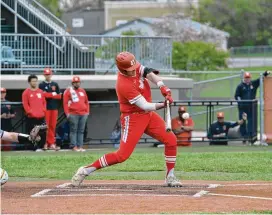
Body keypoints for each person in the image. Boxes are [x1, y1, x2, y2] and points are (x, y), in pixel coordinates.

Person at [71, 51, 181, 187]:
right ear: (121, 69)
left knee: (171, 140)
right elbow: (145, 106)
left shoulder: (132, 65)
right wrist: (164, 104)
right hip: (133, 118)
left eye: (134, 68)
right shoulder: (123, 84)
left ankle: (170, 176)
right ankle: (86, 170)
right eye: (130, 70)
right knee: (122, 155)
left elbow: (149, 73)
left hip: (148, 116)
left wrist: (163, 86)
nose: (133, 71)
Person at [235, 71, 270, 143]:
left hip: (251, 107)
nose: (247, 79)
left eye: (248, 78)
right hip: (243, 108)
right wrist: (240, 102)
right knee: (243, 122)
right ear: (244, 78)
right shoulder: (240, 86)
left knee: (251, 122)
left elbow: (260, 79)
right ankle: (244, 137)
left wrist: (265, 73)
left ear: (250, 78)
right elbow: (237, 95)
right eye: (246, 78)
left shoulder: (253, 84)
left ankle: (251, 137)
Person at [63, 76, 89, 152]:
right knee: (73, 130)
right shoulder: (68, 91)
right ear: (72, 83)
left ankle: (80, 146)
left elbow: (86, 102)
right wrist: (67, 113)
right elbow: (65, 103)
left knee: (81, 131)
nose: (77, 84)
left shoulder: (82, 91)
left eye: (78, 82)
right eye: (75, 82)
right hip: (73, 113)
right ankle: (74, 146)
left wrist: (87, 112)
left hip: (83, 113)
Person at [39, 68, 62, 151]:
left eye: (49, 74)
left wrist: (49, 94)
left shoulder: (55, 84)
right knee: (46, 127)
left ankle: (51, 143)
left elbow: (59, 96)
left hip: (54, 108)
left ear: (51, 74)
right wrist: (52, 94)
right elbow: (43, 95)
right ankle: (45, 143)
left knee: (53, 126)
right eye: (46, 74)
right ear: (44, 75)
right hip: (46, 108)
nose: (48, 76)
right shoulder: (41, 85)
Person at [22, 75, 46, 151]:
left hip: (41, 116)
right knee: (32, 133)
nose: (35, 83)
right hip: (31, 117)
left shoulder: (41, 92)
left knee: (42, 132)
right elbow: (25, 104)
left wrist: (43, 110)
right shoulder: (26, 92)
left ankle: (41, 147)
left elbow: (44, 102)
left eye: (36, 81)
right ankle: (34, 148)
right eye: (33, 81)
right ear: (29, 82)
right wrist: (30, 112)